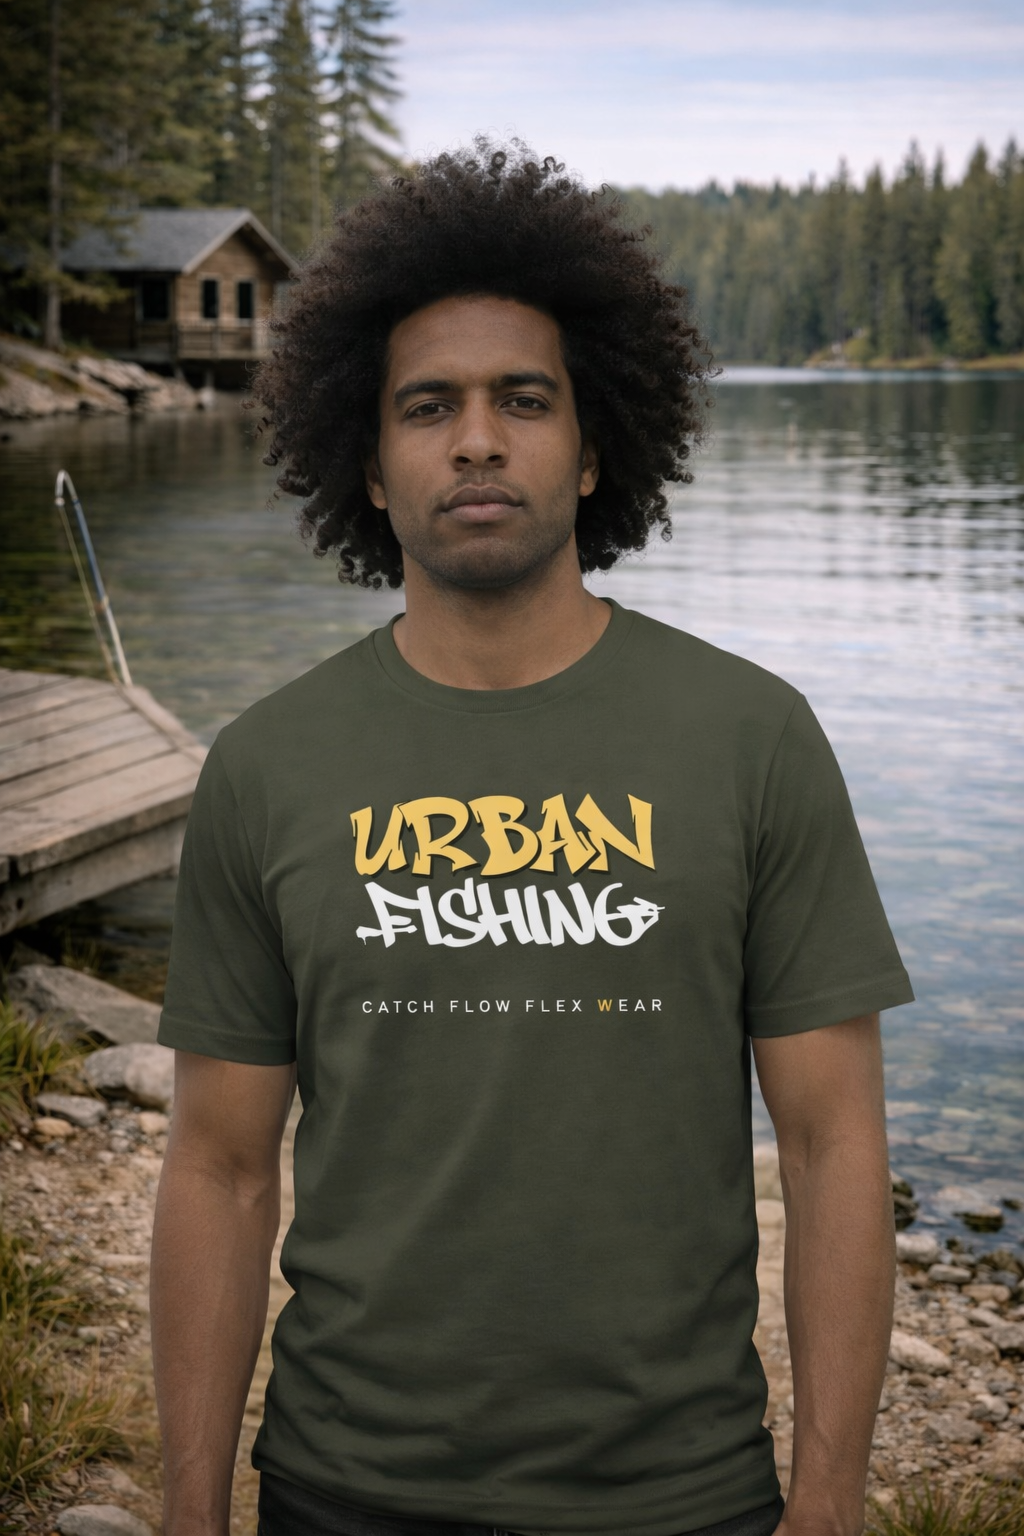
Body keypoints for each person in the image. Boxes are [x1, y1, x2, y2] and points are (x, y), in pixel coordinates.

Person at [151, 142, 913, 1536]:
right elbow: (217, 1163)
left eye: (525, 399)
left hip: (681, 1497)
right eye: (428, 407)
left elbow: (831, 1144)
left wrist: (830, 1500)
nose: (479, 440)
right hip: (343, 1486)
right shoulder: (267, 767)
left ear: (596, 441)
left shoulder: (750, 738)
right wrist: (188, 1508)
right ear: (369, 467)